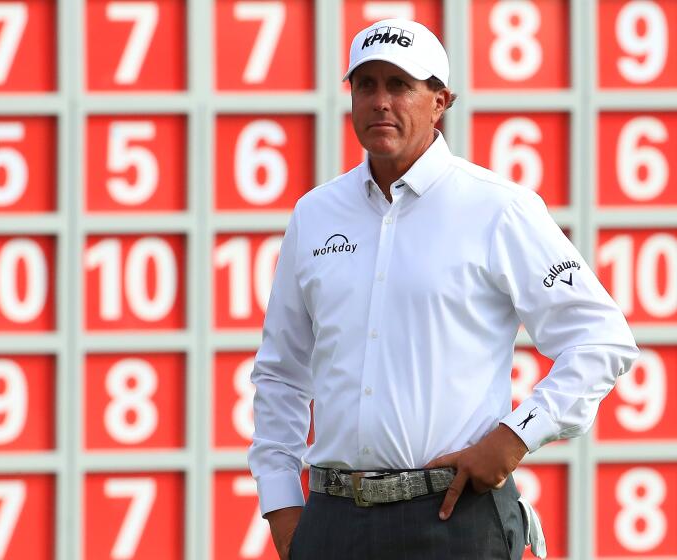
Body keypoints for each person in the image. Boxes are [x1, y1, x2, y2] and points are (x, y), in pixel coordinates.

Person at [247, 17, 639, 560]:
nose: (381, 101)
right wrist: (283, 505)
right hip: (332, 520)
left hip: (455, 518)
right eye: (367, 84)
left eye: (400, 85)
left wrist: (513, 437)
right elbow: (281, 372)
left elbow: (601, 339)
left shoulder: (499, 207)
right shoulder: (315, 214)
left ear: (440, 101)